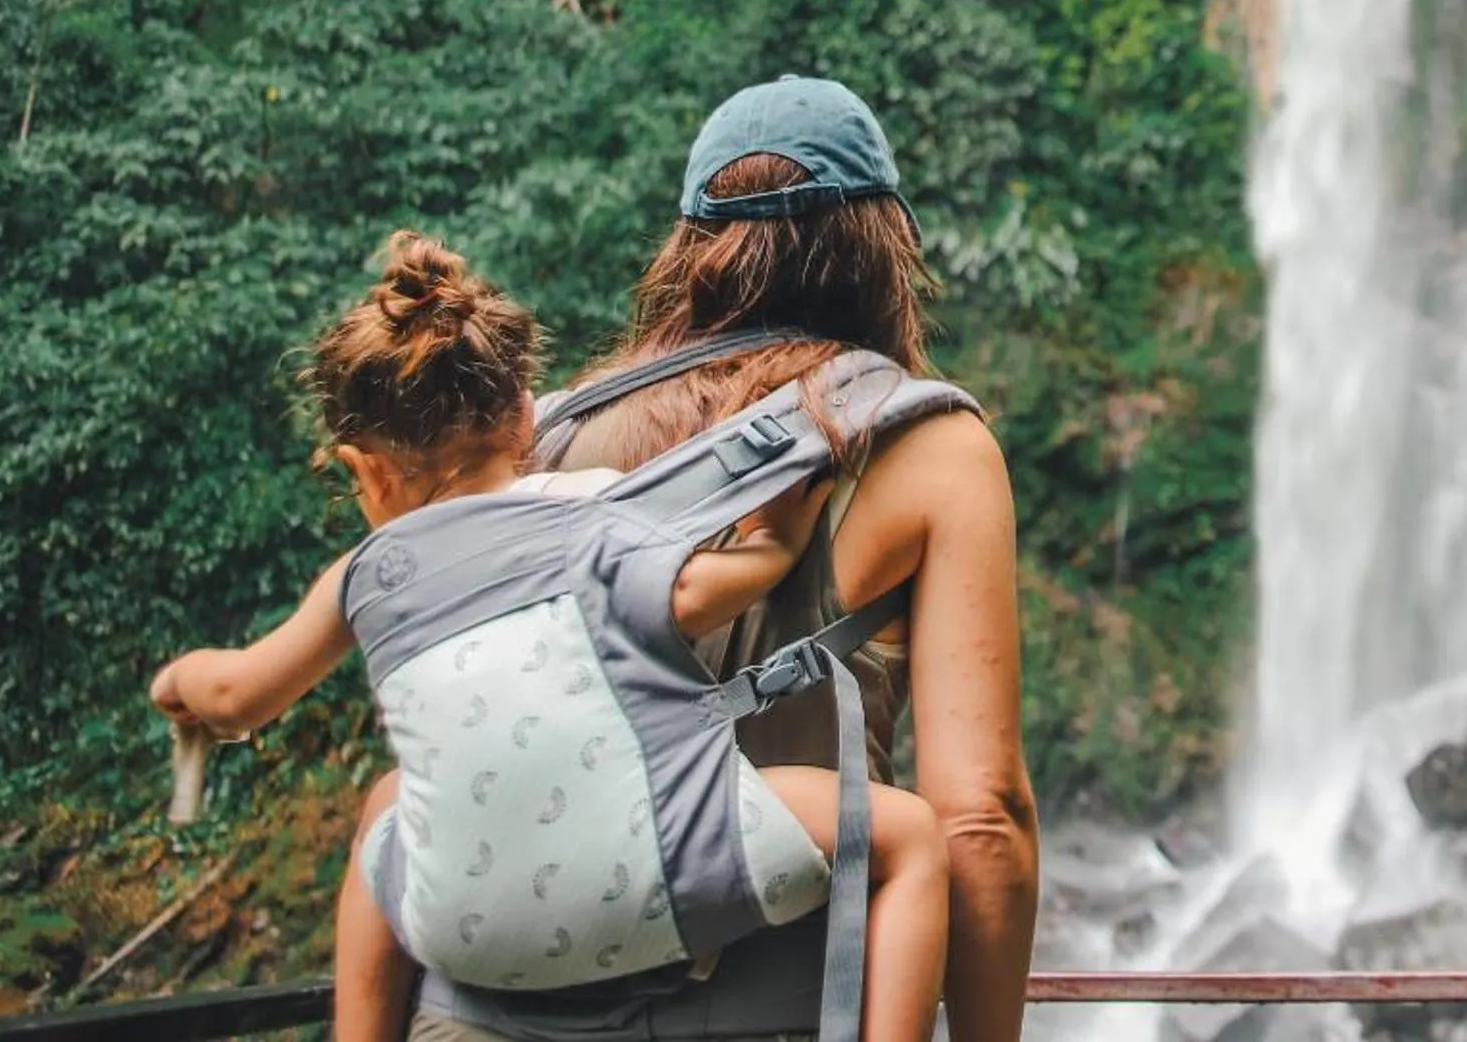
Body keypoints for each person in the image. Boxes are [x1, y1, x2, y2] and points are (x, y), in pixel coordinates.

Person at [147, 232, 951, 1042]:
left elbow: (236, 695)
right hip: (671, 886)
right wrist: (773, 541)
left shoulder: (367, 574)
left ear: (365, 471)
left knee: (384, 809)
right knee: (908, 839)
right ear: (528, 416)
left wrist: (181, 686)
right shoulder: (597, 516)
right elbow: (702, 593)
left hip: (463, 932)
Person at [409, 74, 1040, 1042]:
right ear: (883, 246)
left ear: (689, 247)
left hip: (491, 1013)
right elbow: (981, 818)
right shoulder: (927, 448)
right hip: (768, 1010)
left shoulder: (550, 436)